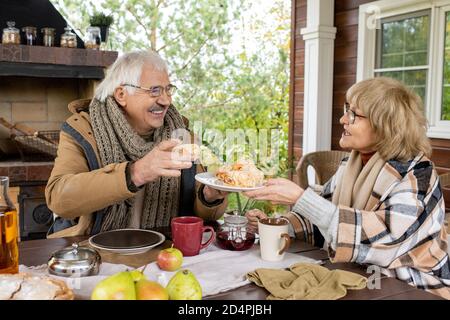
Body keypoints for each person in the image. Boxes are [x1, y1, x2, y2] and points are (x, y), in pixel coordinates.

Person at [244, 77, 450, 299]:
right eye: (346, 109)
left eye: (354, 114)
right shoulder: (351, 164)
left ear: (386, 126)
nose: (343, 119)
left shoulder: (418, 174)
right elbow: (322, 221)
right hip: (362, 278)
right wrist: (276, 225)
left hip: (415, 289)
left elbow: (383, 238)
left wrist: (301, 198)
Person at [45, 50, 227, 238]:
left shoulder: (181, 135)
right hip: (96, 250)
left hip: (165, 249)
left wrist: (209, 197)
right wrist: (135, 173)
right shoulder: (84, 130)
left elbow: (200, 213)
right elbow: (58, 198)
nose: (166, 100)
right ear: (122, 94)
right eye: (154, 90)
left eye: (168, 89)